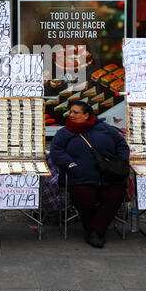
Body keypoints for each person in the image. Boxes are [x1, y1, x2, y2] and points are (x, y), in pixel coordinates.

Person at [50, 101, 130, 248]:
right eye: (70, 112)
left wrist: (121, 161)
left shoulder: (105, 129)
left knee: (116, 194)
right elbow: (56, 151)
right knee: (83, 195)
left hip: (109, 175)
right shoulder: (64, 132)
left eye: (75, 112)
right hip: (80, 177)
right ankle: (96, 231)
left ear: (86, 115)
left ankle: (94, 230)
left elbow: (122, 145)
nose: (71, 115)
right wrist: (70, 164)